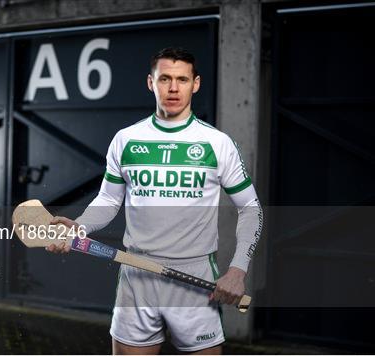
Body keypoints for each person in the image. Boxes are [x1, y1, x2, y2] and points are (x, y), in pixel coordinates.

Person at [47, 47, 263, 354]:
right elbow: (108, 200)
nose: (173, 88)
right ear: (151, 83)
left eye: (182, 79)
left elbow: (251, 208)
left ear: (195, 83)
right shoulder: (126, 139)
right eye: (164, 79)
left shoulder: (217, 143)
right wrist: (79, 227)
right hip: (136, 273)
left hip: (194, 275)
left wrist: (238, 270)